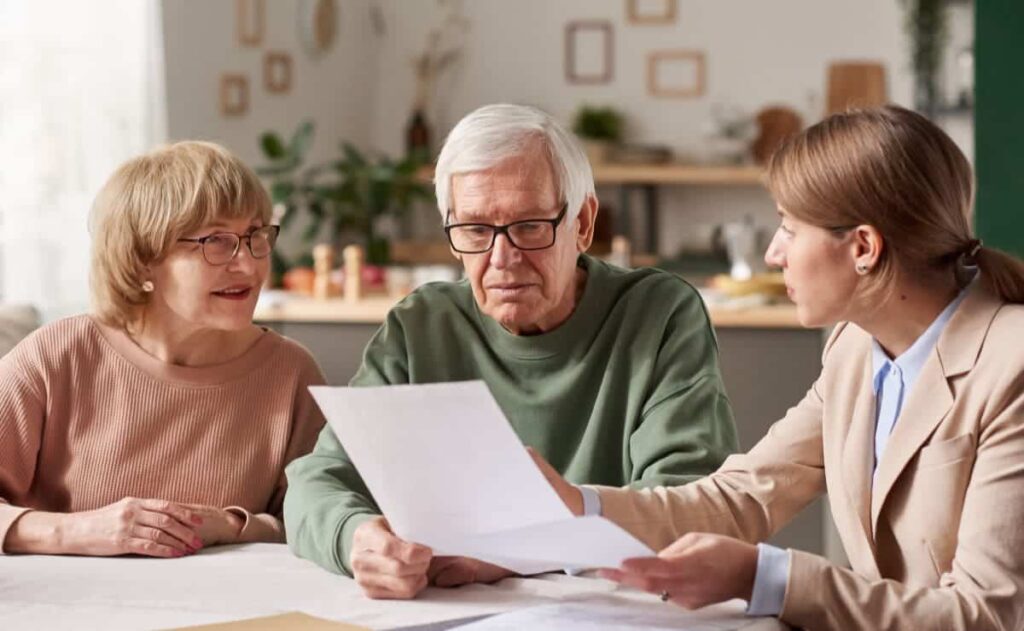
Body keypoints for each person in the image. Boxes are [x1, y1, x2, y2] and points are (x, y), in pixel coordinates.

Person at [533, 105, 1024, 631]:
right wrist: (578, 505)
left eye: (789, 228)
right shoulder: (855, 349)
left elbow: (985, 616)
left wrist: (768, 578)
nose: (772, 253)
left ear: (863, 247)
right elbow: (743, 495)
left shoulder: (1011, 365)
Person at [284, 104, 739, 599]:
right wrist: (355, 539)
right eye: (476, 231)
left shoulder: (660, 314)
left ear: (583, 223)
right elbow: (315, 482)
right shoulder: (422, 326)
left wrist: (518, 553)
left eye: (528, 226)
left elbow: (687, 505)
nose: (503, 259)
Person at [0, 141, 326, 558]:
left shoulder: (291, 371)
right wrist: (77, 530)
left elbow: (321, 520)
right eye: (217, 241)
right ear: (141, 260)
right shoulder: (59, 355)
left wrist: (231, 525)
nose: (249, 265)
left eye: (254, 235)